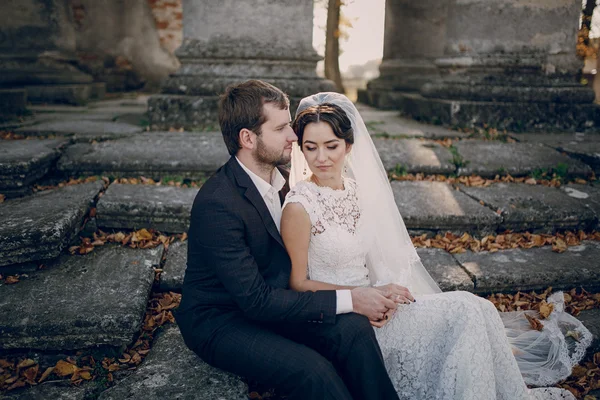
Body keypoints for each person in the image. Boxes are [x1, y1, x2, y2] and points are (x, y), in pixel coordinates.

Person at [281, 93, 593, 400]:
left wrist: (384, 289)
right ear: (301, 150)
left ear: (348, 146)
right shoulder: (299, 206)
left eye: (331, 146)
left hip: (378, 304)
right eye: (311, 148)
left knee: (478, 307)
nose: (321, 158)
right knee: (467, 312)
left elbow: (365, 264)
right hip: (343, 318)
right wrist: (359, 297)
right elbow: (298, 283)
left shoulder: (355, 190)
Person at [175, 80, 410, 400]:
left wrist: (362, 296)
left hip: (274, 302)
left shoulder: (285, 183)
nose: (294, 136)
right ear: (247, 138)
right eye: (282, 128)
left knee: (355, 329)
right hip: (222, 321)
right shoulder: (218, 203)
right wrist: (353, 298)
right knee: (313, 372)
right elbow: (255, 301)